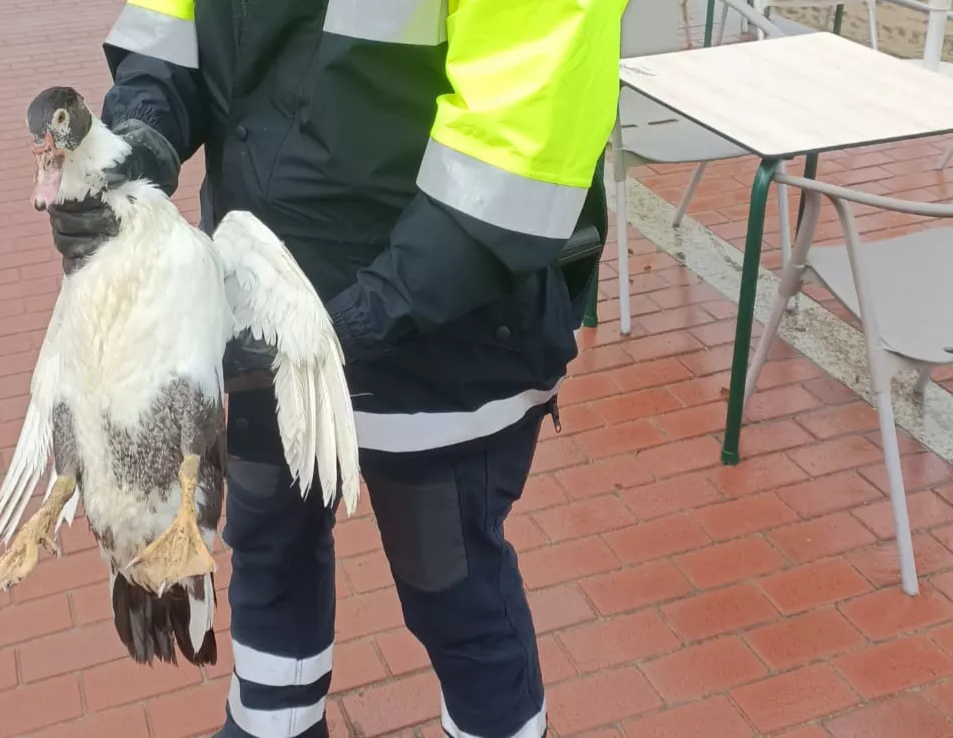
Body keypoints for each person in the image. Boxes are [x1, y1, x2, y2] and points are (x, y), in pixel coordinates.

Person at [46, 2, 624, 736]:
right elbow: (170, 32)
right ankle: (270, 726)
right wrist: (137, 143)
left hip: (446, 327)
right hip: (265, 307)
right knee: (268, 547)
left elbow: (516, 147)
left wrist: (343, 325)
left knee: (451, 585)